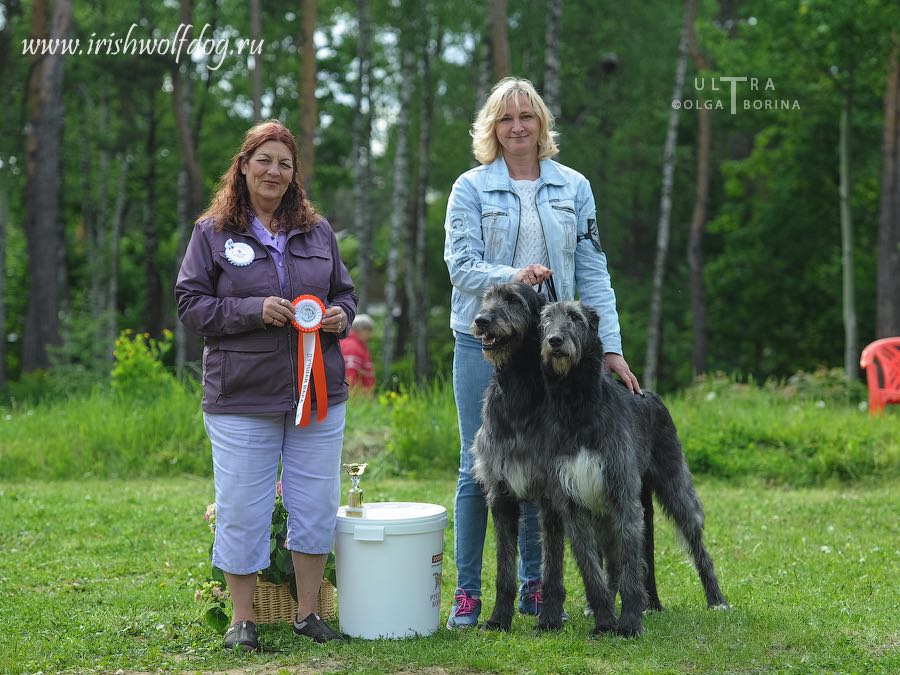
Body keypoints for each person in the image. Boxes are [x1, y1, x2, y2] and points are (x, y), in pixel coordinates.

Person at [442, 77, 641, 628]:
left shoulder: (574, 187)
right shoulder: (471, 188)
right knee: (476, 467)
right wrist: (515, 277)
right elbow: (461, 268)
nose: (518, 127)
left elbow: (594, 272)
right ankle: (468, 594)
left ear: (542, 125)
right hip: (484, 341)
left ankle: (535, 586)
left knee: (545, 465)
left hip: (553, 346)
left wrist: (610, 350)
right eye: (505, 119)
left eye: (527, 116)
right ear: (492, 129)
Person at [175, 120, 356, 649]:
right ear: (244, 166)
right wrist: (253, 311)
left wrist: (340, 316)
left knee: (316, 502)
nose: (274, 171)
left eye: (285, 163)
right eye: (264, 160)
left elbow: (345, 294)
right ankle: (242, 621)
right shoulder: (211, 232)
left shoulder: (318, 232)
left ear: (294, 173)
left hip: (317, 390)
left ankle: (307, 614)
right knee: (241, 507)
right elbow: (190, 304)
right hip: (241, 396)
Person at [340, 313, 376, 391]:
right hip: (356, 396)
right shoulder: (352, 346)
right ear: (361, 329)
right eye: (369, 331)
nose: (370, 335)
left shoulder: (356, 344)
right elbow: (350, 373)